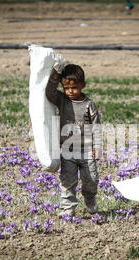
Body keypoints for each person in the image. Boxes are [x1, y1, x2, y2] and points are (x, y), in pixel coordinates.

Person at [46, 61, 102, 217]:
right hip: (67, 151)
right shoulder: (62, 100)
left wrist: (97, 147)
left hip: (86, 151)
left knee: (91, 179)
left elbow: (96, 127)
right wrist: (55, 75)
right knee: (67, 180)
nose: (70, 91)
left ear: (83, 85)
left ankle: (90, 198)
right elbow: (49, 92)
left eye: (74, 87)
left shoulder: (89, 105)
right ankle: (68, 207)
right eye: (66, 88)